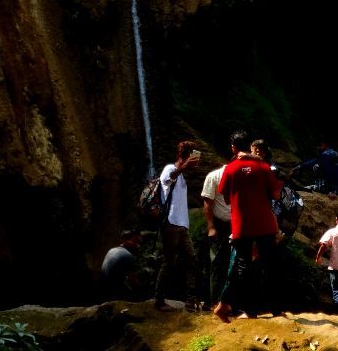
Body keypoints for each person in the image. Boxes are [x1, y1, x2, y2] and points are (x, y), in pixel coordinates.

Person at [213, 138, 283, 323]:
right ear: (252, 150)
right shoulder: (264, 168)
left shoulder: (230, 168)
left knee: (243, 267)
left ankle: (246, 309)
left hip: (241, 224)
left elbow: (225, 196)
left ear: (235, 148)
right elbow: (276, 194)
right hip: (264, 224)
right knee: (269, 266)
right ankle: (276, 310)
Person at [154, 140, 203, 311]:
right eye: (192, 156)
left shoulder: (182, 176)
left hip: (182, 225)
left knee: (192, 259)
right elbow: (166, 180)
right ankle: (159, 300)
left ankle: (190, 300)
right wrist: (183, 167)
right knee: (169, 261)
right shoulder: (170, 169)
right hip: (170, 223)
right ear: (185, 156)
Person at [202, 131, 247, 304]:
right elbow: (207, 203)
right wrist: (211, 227)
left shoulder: (244, 176)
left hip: (239, 225)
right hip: (220, 226)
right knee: (218, 264)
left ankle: (232, 303)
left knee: (237, 264)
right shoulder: (214, 176)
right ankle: (215, 302)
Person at [100, 230, 144, 300]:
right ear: (124, 240)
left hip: (103, 289)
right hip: (112, 292)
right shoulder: (128, 255)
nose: (137, 245)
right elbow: (133, 282)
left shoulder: (112, 250)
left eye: (139, 243)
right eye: (135, 241)